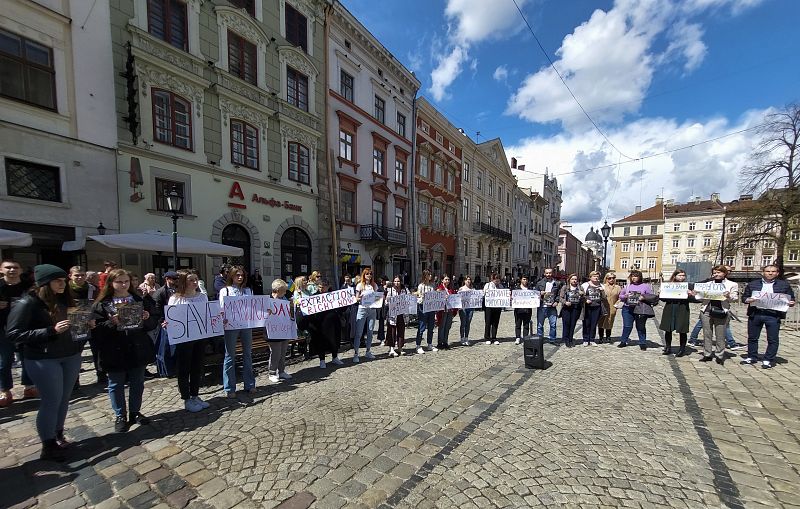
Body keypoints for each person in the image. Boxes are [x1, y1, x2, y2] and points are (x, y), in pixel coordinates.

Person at [5, 265, 88, 461]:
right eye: (57, 281)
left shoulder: (66, 299)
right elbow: (14, 333)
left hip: (70, 354)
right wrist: (50, 331)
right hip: (44, 358)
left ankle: (58, 434)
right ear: (44, 283)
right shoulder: (28, 302)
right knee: (51, 401)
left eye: (63, 280)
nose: (62, 284)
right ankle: (48, 444)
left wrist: (85, 325)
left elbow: (76, 327)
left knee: (64, 398)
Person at [92, 269, 157, 432]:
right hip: (114, 349)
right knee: (116, 383)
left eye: (126, 281)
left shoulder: (139, 298)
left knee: (137, 382)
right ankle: (120, 415)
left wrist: (147, 317)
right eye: (119, 282)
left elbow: (153, 320)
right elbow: (95, 331)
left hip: (137, 346)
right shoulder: (102, 303)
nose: (123, 284)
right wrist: (111, 323)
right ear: (111, 283)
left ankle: (135, 412)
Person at [167, 270, 210, 412]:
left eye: (196, 279)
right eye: (191, 280)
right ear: (184, 281)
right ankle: (186, 398)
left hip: (199, 336)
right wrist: (169, 324)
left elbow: (206, 315)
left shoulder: (202, 297)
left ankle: (195, 395)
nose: (194, 282)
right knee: (184, 368)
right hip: (184, 339)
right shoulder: (176, 298)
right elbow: (172, 318)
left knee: (197, 367)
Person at [740, 264, 796, 369]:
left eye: (773, 271)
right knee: (752, 337)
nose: (770, 273)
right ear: (763, 272)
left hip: (773, 315)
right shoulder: (753, 284)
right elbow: (744, 298)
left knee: (772, 339)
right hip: (756, 313)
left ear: (777, 273)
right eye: (768, 271)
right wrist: (749, 300)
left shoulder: (784, 285)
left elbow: (791, 298)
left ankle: (768, 359)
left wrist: (791, 302)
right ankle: (752, 356)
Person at [1, 259, 37, 407]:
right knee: (5, 360)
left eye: (15, 267)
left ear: (20, 270)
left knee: (27, 358)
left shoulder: (28, 287)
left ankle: (29, 386)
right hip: (3, 328)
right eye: (8, 267)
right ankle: (5, 390)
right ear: (1, 270)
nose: (12, 270)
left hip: (25, 327)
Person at [218, 267, 255, 397]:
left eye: (242, 275)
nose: (240, 277)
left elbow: (253, 307)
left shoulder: (248, 290)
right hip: (231, 326)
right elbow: (222, 308)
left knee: (248, 354)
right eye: (237, 275)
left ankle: (250, 384)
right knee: (230, 356)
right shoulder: (225, 291)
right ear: (231, 276)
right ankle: (229, 388)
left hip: (246, 325)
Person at [696, 265, 738, 364]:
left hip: (721, 310)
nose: (716, 274)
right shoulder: (708, 284)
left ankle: (719, 355)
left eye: (719, 272)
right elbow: (700, 298)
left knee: (720, 334)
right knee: (707, 333)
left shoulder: (732, 284)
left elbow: (734, 298)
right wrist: (696, 294)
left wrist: (728, 296)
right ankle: (707, 354)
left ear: (724, 273)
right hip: (706, 310)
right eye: (714, 273)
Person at [307, 279, 345, 368]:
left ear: (328, 287)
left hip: (332, 322)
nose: (321, 289)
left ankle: (335, 357)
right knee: (321, 341)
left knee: (334, 339)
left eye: (323, 287)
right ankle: (322, 360)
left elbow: (341, 306)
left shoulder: (333, 295)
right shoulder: (314, 297)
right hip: (320, 323)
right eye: (319, 287)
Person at [658, 269, 695, 357]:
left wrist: (690, 295)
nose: (681, 277)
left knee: (682, 329)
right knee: (668, 328)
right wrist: (660, 294)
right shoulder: (668, 285)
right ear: (675, 276)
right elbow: (663, 299)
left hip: (682, 308)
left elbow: (694, 299)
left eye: (683, 275)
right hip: (670, 307)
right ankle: (668, 347)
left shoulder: (688, 286)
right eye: (679, 275)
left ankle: (682, 349)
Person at [618, 270, 656, 350]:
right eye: (632, 276)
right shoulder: (627, 286)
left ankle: (642, 342)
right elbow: (620, 296)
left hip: (640, 308)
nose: (634, 278)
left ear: (640, 277)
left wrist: (643, 297)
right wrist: (625, 296)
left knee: (640, 326)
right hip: (628, 308)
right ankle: (623, 341)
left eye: (636, 276)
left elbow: (651, 296)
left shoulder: (645, 286)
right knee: (627, 326)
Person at [268, 279, 293, 382]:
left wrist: (292, 306)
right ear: (277, 290)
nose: (285, 292)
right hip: (273, 331)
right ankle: (272, 372)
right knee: (275, 352)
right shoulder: (268, 300)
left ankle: (281, 371)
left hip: (284, 329)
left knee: (283, 352)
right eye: (283, 290)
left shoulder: (285, 300)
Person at [352, 268, 378, 363]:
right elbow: (356, 298)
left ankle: (368, 351)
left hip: (372, 310)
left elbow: (377, 297)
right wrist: (361, 298)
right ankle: (356, 353)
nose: (369, 275)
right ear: (364, 275)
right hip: (362, 309)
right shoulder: (360, 285)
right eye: (367, 274)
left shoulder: (374, 285)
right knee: (359, 333)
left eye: (370, 274)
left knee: (370, 331)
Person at [535, 268, 562, 344]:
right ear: (544, 273)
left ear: (552, 273)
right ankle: (540, 339)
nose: (548, 275)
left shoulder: (556, 283)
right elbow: (534, 294)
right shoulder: (539, 283)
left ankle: (552, 339)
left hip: (552, 307)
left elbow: (558, 294)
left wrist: (556, 301)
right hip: (542, 306)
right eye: (547, 273)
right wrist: (540, 293)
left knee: (553, 325)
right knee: (540, 325)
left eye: (550, 273)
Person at [581, 271, 606, 347]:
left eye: (597, 276)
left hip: (597, 307)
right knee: (586, 323)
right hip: (587, 307)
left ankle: (592, 339)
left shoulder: (601, 286)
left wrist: (602, 291)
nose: (596, 277)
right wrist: (585, 300)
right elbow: (581, 295)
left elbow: (604, 297)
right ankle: (585, 339)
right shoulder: (585, 285)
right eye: (594, 276)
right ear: (590, 277)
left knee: (594, 324)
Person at [414, 270, 437, 354]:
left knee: (431, 327)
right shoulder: (421, 286)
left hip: (431, 308)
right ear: (425, 276)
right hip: (423, 308)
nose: (430, 276)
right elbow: (418, 298)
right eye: (429, 274)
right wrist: (422, 297)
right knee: (422, 327)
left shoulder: (432, 285)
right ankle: (418, 345)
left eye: (431, 274)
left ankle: (429, 344)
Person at [385, 276, 408, 357]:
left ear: (401, 282)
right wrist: (390, 301)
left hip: (401, 313)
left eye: (398, 281)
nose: (396, 283)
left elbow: (408, 299)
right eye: (395, 281)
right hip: (393, 314)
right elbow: (386, 302)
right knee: (392, 331)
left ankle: (400, 347)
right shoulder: (390, 290)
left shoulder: (404, 290)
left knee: (401, 330)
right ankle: (391, 348)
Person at [558, 274, 583, 348]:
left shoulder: (580, 288)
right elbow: (560, 297)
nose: (574, 281)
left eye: (575, 279)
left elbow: (584, 298)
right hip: (566, 308)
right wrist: (565, 302)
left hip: (576, 308)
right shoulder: (565, 287)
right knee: (566, 324)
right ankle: (565, 339)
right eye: (572, 279)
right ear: (569, 280)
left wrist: (582, 295)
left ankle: (570, 339)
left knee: (573, 324)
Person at [435, 275, 457, 350]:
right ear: (442, 280)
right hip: (442, 311)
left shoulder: (450, 289)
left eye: (448, 279)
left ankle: (445, 341)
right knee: (442, 326)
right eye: (446, 279)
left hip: (449, 310)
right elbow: (437, 299)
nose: (447, 281)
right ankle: (440, 342)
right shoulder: (439, 289)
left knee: (447, 326)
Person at [597, 272, 620, 342]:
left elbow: (620, 298)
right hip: (603, 307)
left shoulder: (618, 287)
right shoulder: (602, 286)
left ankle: (608, 336)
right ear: (606, 279)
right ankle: (601, 337)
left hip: (612, 306)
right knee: (601, 322)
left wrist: (616, 305)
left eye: (613, 278)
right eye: (609, 278)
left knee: (610, 321)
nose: (611, 279)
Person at [513, 275, 533, 345]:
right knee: (518, 324)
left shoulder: (530, 288)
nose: (525, 281)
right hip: (518, 309)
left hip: (527, 309)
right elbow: (513, 297)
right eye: (524, 279)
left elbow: (533, 297)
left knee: (526, 325)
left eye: (526, 279)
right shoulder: (516, 288)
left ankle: (525, 338)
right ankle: (518, 337)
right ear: (521, 280)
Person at [483, 273, 503, 345]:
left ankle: (494, 337)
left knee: (495, 322)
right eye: (495, 279)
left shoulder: (501, 286)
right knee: (488, 322)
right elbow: (484, 294)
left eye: (498, 279)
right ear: (492, 279)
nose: (497, 281)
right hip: (489, 307)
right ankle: (487, 337)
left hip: (497, 307)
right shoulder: (488, 285)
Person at [458, 276, 475, 347]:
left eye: (469, 280)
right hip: (463, 308)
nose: (468, 281)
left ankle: (466, 338)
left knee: (468, 323)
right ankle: (462, 338)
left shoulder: (472, 289)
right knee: (463, 323)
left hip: (470, 308)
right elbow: (458, 298)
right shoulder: (461, 289)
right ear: (464, 281)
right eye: (467, 280)